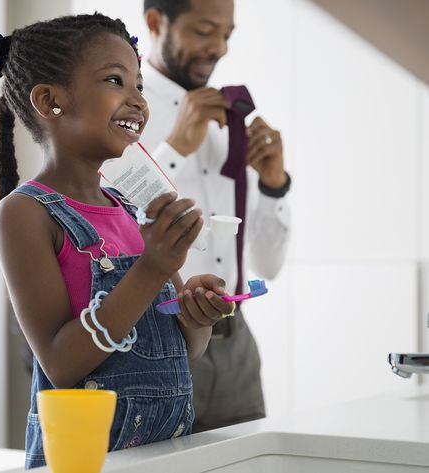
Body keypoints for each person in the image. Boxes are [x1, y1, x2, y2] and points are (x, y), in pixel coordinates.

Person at [0, 12, 234, 469]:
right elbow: (61, 363)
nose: (138, 100)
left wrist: (197, 315)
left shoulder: (132, 206)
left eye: (139, 85)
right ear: (50, 100)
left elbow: (186, 347)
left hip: (165, 455)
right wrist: (152, 269)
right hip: (83, 459)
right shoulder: (25, 213)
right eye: (116, 81)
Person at [141, 0, 291, 432]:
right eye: (205, 30)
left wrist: (273, 185)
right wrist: (174, 150)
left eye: (227, 34)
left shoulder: (231, 124)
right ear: (156, 23)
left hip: (237, 340)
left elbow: (268, 264)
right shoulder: (121, 113)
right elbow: (109, 222)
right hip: (159, 338)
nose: (219, 48)